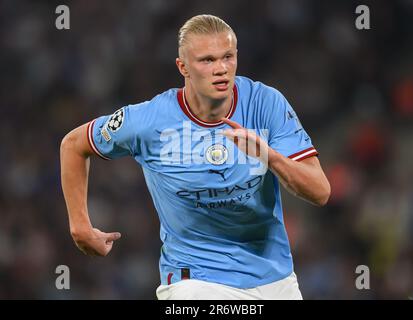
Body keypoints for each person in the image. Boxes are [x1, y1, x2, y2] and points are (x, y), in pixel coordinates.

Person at [60, 14, 331, 300]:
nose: (221, 69)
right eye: (207, 60)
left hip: (274, 277)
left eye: (228, 57)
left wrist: (269, 156)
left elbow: (320, 192)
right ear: (183, 67)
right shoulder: (149, 120)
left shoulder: (266, 104)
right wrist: (80, 226)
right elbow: (74, 144)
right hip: (194, 280)